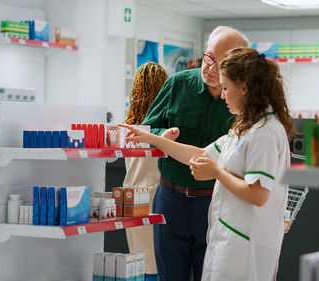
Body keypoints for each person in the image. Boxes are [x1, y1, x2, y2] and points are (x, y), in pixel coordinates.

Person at [120, 46, 295, 281]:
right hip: (228, 238)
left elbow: (258, 194)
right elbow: (200, 154)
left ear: (243, 88)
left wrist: (216, 173)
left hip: (246, 246)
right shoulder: (244, 128)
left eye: (226, 88)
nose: (222, 95)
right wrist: (150, 137)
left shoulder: (265, 132)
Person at [140, 26, 250, 281]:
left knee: (211, 275)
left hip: (217, 202)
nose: (210, 68)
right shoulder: (178, 84)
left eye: (220, 64)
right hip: (171, 199)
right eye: (208, 57)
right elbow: (147, 128)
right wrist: (161, 137)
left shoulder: (243, 100)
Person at [123, 62, 168, 281]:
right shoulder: (165, 127)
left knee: (137, 264)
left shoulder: (129, 125)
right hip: (155, 196)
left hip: (130, 198)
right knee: (156, 265)